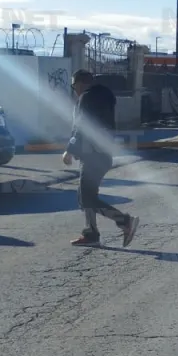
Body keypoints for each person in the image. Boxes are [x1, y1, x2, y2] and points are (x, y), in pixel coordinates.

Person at [62, 70, 139, 247]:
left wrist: (69, 150)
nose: (74, 90)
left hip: (92, 156)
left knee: (86, 198)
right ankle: (91, 234)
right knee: (86, 195)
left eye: (74, 86)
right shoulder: (104, 97)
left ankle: (124, 221)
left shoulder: (86, 98)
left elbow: (81, 127)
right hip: (102, 154)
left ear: (81, 84)